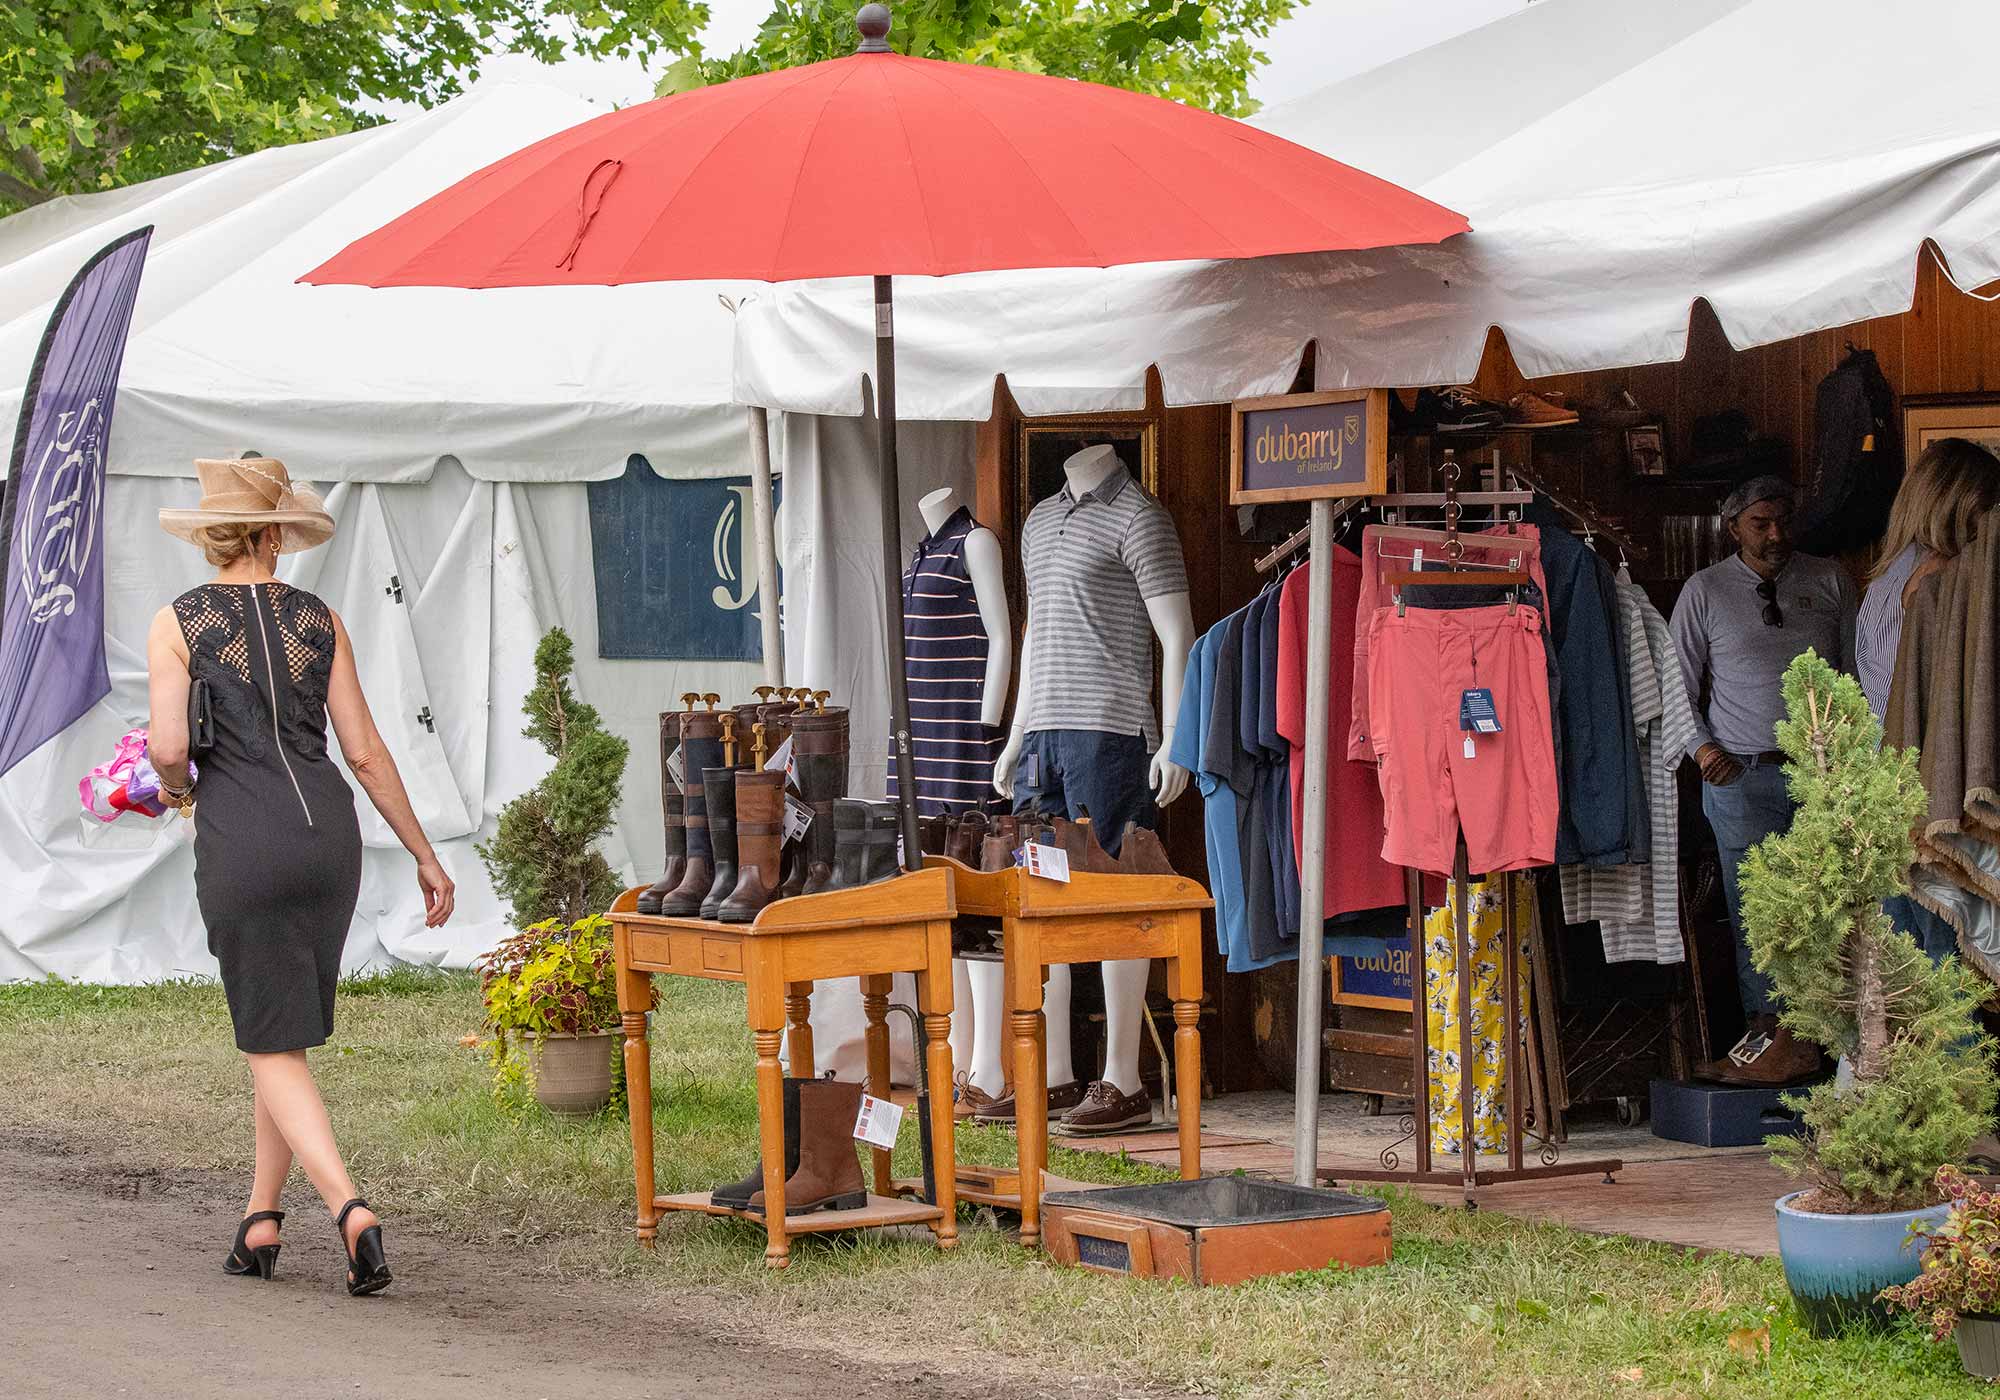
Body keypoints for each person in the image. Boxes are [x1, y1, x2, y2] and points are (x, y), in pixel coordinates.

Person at [149, 457, 455, 1296]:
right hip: (329, 840)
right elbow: (364, 750)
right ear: (277, 533)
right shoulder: (319, 619)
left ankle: (348, 1207)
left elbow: (170, 748)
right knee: (276, 1025)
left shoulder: (179, 621)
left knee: (266, 1035)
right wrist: (426, 854)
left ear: (212, 533)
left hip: (244, 838)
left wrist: (176, 792)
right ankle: (260, 1218)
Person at [1669, 474, 1856, 1086]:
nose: (1776, 534)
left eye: (1783, 520)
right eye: (1760, 524)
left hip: (1819, 776)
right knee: (1756, 916)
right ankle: (1767, 1038)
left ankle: (1825, 1044)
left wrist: (1848, 760)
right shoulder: (1705, 591)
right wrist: (1702, 750)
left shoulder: (1829, 579)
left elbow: (1857, 676)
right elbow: (1675, 683)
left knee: (1828, 912)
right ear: (1732, 528)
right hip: (1740, 774)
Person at [1857, 437, 2000, 961]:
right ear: (1960, 505)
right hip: (1923, 802)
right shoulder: (1940, 583)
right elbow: (1939, 709)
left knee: (1908, 979)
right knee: (1946, 978)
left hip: (1884, 799)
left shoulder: (1886, 579)